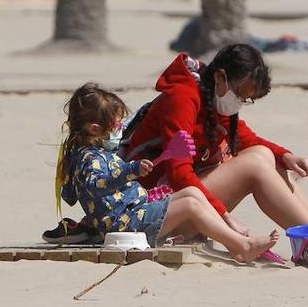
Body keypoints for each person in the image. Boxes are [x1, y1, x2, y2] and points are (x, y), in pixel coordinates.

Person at [121, 44, 308, 265]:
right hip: (154, 212)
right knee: (254, 166)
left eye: (247, 100)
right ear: (220, 77)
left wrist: (286, 156)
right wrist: (224, 216)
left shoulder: (213, 96)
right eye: (241, 95)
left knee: (262, 155)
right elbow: (178, 172)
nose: (240, 104)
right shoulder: (183, 97)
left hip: (180, 199)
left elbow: (246, 139)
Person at [57, 83, 280, 262]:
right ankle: (241, 246)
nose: (121, 129)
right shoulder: (88, 159)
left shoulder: (100, 152)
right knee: (190, 205)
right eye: (116, 126)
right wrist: (130, 171)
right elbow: (97, 185)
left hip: (135, 212)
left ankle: (233, 238)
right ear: (94, 129)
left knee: (192, 193)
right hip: (125, 224)